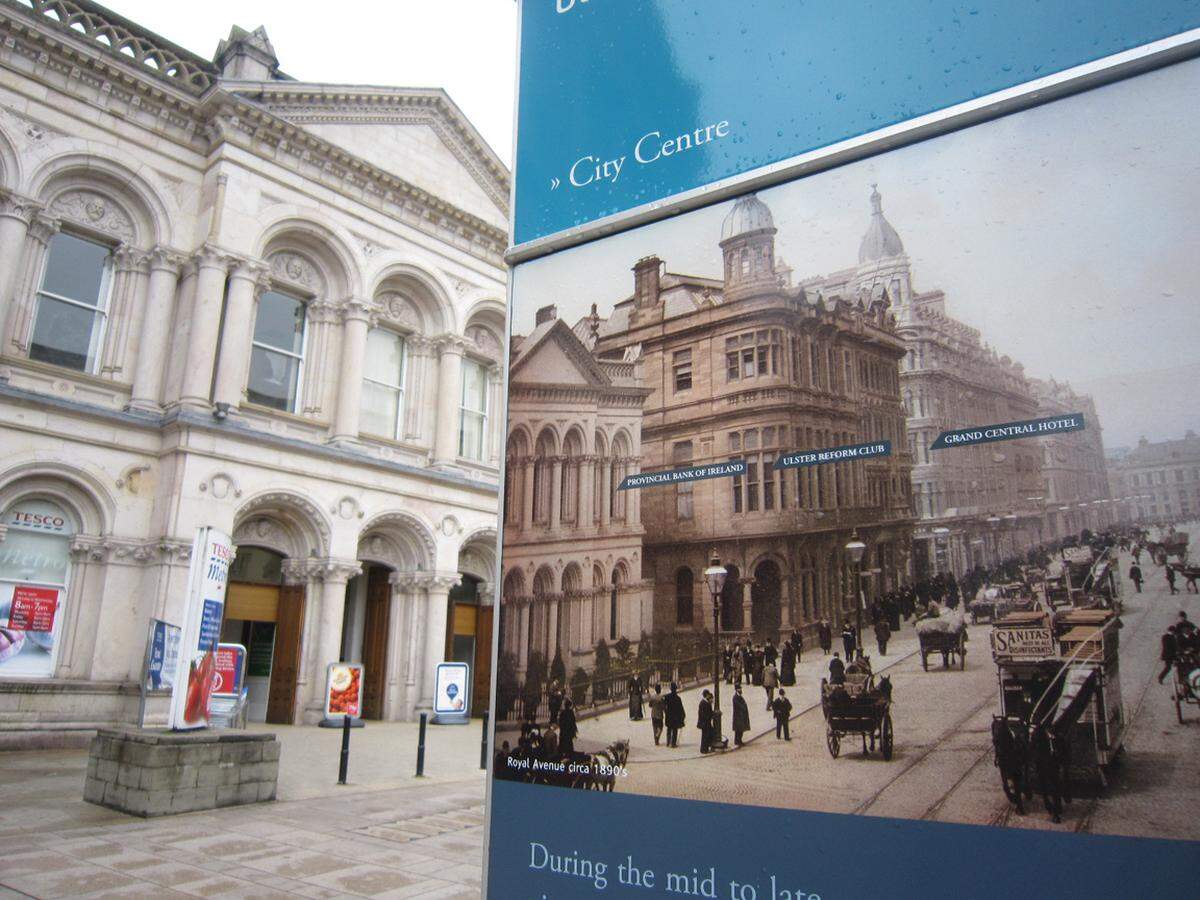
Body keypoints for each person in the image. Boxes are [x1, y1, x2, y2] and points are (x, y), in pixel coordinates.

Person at [663, 682, 686, 748]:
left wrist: (665, 712)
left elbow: (664, 705)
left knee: (669, 729)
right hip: (675, 716)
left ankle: (668, 742)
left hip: (669, 715)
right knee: (675, 730)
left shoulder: (667, 697)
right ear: (675, 689)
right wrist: (683, 715)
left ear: (670, 689)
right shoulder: (678, 698)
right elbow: (681, 708)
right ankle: (673, 743)